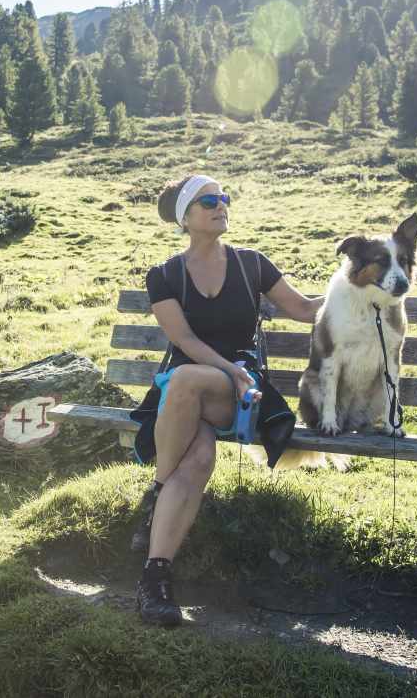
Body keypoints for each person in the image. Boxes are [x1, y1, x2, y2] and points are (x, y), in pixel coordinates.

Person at [131, 173, 324, 626]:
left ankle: (155, 493)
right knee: (196, 460)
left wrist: (358, 285)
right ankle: (154, 581)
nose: (222, 205)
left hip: (238, 393)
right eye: (209, 200)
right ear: (186, 218)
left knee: (184, 381)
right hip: (194, 389)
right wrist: (228, 369)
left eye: (225, 198)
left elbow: (304, 309)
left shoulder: (252, 263)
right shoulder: (164, 275)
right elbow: (182, 338)